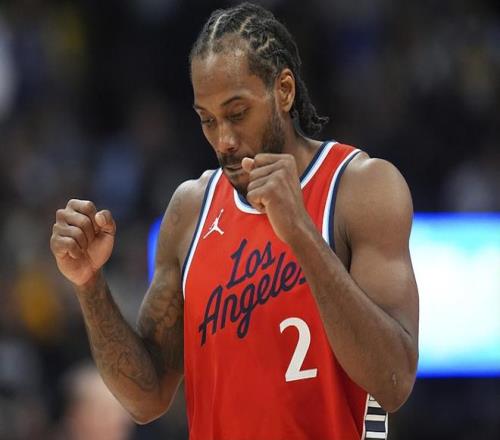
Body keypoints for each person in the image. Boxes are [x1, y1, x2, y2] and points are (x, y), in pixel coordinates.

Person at [50, 3, 419, 439]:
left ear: (284, 91)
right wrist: (89, 283)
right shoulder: (191, 209)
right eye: (207, 120)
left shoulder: (362, 188)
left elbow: (393, 381)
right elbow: (146, 398)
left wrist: (300, 233)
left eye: (237, 113)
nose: (223, 139)